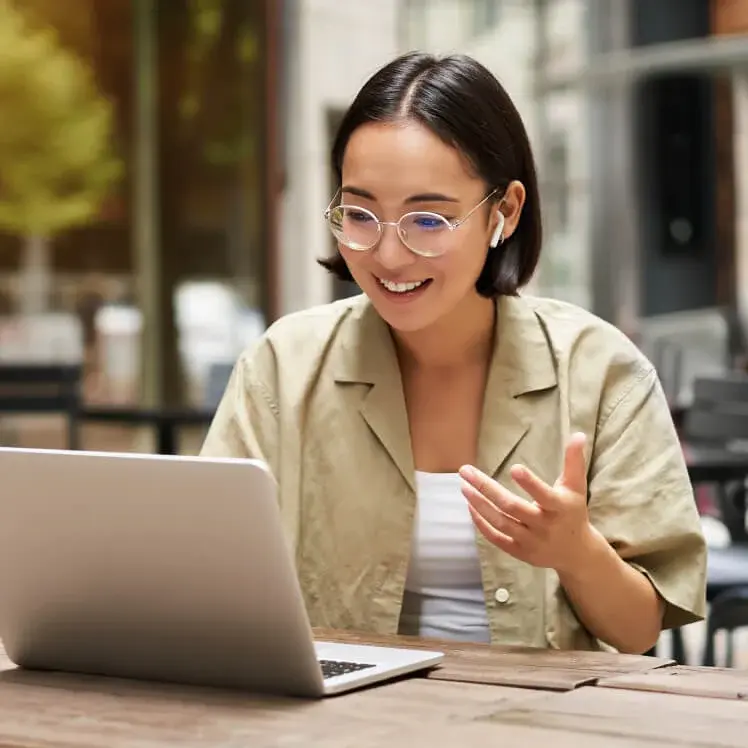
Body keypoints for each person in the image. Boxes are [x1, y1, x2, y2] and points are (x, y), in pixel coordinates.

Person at [201, 52, 706, 653]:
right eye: (360, 214)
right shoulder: (283, 368)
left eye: (429, 221)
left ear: (505, 212)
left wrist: (577, 554)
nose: (388, 256)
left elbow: (637, 631)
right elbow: (205, 576)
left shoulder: (601, 372)